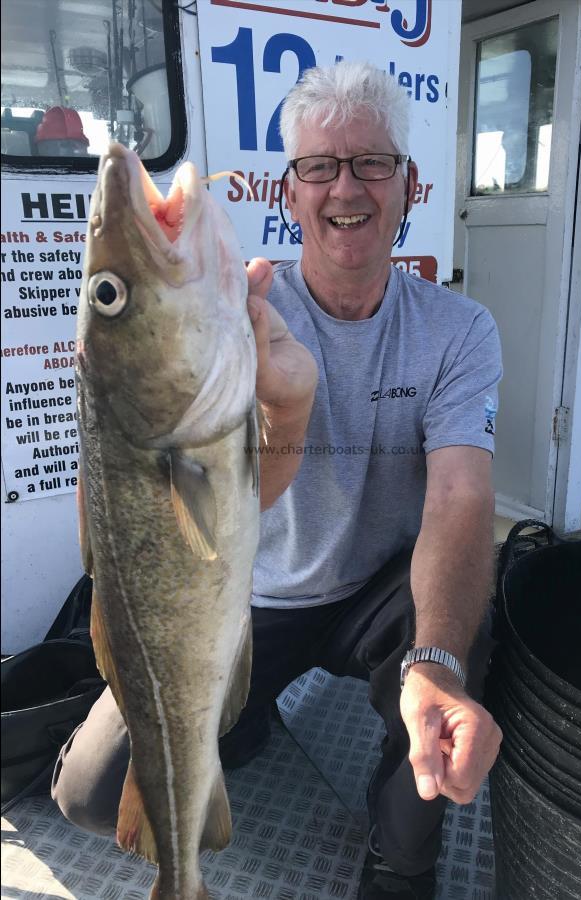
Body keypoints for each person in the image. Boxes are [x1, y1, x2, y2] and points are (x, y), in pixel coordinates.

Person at [52, 61, 503, 899]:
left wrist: (434, 664)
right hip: (242, 595)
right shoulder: (238, 312)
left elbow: (458, 498)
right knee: (88, 794)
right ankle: (239, 721)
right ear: (288, 194)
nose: (347, 187)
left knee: (452, 642)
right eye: (319, 167)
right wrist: (272, 411)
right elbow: (213, 507)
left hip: (376, 593)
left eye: (373, 162)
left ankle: (400, 862)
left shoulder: (458, 329)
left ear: (410, 185)